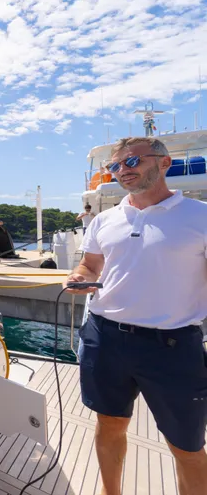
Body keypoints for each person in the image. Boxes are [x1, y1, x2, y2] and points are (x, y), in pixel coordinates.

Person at [65, 136, 207, 495]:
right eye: (114, 166)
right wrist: (81, 277)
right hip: (105, 337)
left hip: (172, 344)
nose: (121, 172)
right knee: (109, 424)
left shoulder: (200, 216)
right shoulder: (104, 220)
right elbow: (90, 264)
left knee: (187, 446)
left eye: (131, 162)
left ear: (164, 163)